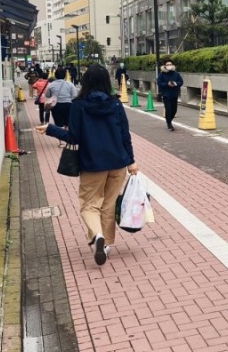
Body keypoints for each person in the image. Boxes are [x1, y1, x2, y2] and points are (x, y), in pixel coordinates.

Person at [35, 64, 139, 266]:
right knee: (108, 205)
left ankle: (98, 236)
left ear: (85, 82)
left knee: (89, 205)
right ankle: (105, 243)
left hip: (92, 164)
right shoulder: (116, 104)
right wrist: (131, 161)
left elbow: (74, 137)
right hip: (118, 162)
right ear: (106, 82)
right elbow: (125, 135)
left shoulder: (79, 106)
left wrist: (51, 129)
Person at [157, 58, 183, 131]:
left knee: (174, 110)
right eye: (167, 65)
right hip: (166, 94)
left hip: (174, 94)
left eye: (170, 64)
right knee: (168, 109)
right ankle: (169, 124)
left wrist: (176, 84)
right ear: (165, 66)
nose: (169, 66)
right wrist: (167, 84)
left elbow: (181, 82)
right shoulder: (162, 74)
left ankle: (169, 120)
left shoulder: (176, 74)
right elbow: (159, 83)